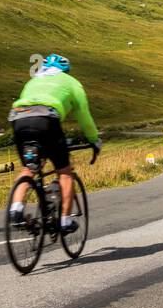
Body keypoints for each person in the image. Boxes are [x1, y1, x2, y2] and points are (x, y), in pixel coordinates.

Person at [8, 54, 101, 233]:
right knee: (65, 172)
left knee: (30, 168)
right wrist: (93, 139)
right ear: (65, 70)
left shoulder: (32, 81)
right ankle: (65, 221)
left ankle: (16, 208)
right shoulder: (71, 82)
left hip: (19, 118)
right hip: (46, 119)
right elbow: (84, 115)